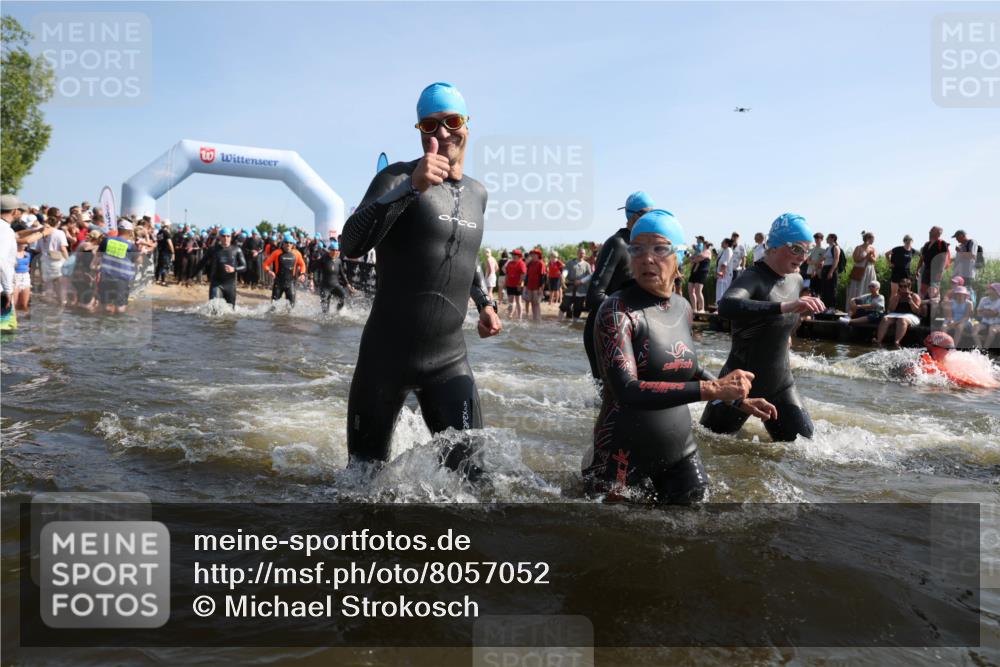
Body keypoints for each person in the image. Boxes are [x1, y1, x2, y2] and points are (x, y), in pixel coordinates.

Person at [338, 82, 501, 476]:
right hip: (385, 358)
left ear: (467, 125)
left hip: (449, 360)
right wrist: (412, 187)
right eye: (430, 125)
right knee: (361, 482)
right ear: (420, 130)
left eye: (452, 121)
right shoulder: (397, 177)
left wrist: (484, 303)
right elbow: (351, 243)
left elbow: (464, 254)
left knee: (473, 482)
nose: (442, 132)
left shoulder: (478, 193)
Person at [584, 209, 776, 504]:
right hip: (621, 458)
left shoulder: (683, 307)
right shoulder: (616, 311)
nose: (647, 258)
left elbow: (691, 368)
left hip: (680, 452)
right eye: (637, 249)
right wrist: (713, 390)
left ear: (680, 259)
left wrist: (738, 400)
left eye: (660, 249)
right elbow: (627, 391)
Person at [701, 213, 824, 442]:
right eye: (796, 249)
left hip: (780, 384)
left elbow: (781, 321)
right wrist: (784, 307)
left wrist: (785, 333)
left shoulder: (795, 280)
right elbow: (726, 305)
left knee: (805, 449)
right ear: (774, 246)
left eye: (807, 251)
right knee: (710, 443)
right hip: (737, 387)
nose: (803, 257)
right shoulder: (753, 277)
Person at [583, 192, 654, 378]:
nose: (653, 219)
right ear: (634, 216)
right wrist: (628, 318)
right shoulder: (618, 244)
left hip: (631, 330)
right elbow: (594, 296)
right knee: (610, 396)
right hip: (603, 329)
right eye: (648, 213)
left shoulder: (645, 248)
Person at [91, 221, 140, 315]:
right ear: (130, 232)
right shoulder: (131, 246)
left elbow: (97, 255)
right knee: (120, 308)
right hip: (121, 279)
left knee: (104, 305)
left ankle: (103, 326)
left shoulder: (107, 240)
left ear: (119, 230)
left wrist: (93, 270)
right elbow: (139, 261)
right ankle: (118, 326)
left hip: (106, 277)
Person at [202, 227, 247, 307]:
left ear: (231, 237)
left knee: (230, 313)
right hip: (216, 284)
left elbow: (244, 267)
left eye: (228, 236)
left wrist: (234, 269)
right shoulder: (213, 249)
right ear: (219, 237)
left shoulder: (236, 250)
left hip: (230, 285)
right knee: (214, 309)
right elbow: (201, 263)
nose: (226, 238)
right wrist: (191, 276)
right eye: (223, 236)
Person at [875, 278, 922, 347]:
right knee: (885, 318)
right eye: (900, 286)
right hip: (896, 314)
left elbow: (917, 311)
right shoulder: (896, 296)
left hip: (911, 315)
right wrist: (896, 300)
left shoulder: (914, 296)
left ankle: (897, 342)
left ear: (909, 287)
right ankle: (878, 340)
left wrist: (911, 301)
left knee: (902, 319)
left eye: (905, 286)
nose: (902, 288)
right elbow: (891, 309)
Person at [264, 233, 306, 307]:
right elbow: (266, 264)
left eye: (290, 243)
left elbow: (302, 264)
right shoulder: (276, 253)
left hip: (291, 283)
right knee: (273, 307)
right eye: (286, 242)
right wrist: (269, 271)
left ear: (293, 244)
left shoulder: (297, 254)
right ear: (283, 243)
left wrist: (302, 274)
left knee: (291, 308)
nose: (288, 244)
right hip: (278, 283)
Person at [318, 239, 355, 313]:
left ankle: (337, 312)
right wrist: (311, 279)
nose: (335, 252)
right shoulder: (324, 259)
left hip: (335, 285)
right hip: (325, 286)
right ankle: (324, 319)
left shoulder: (338, 261)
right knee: (325, 308)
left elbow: (342, 274)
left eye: (336, 250)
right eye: (333, 250)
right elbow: (313, 268)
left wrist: (348, 284)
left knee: (343, 296)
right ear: (329, 250)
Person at [914, 226, 950, 300]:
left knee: (934, 292)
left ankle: (935, 310)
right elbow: (922, 258)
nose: (929, 231)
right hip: (926, 270)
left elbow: (944, 258)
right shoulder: (927, 244)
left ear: (938, 233)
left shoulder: (942, 243)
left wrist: (940, 272)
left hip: (936, 271)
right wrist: (917, 270)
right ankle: (923, 309)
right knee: (923, 291)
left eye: (932, 230)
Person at [41, 212, 69, 305]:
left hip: (44, 261)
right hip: (57, 262)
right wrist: (68, 261)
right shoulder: (59, 233)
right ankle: (62, 303)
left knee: (48, 284)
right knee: (60, 284)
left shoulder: (42, 232)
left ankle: (49, 306)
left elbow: (37, 249)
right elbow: (63, 248)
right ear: (58, 223)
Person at [846, 231, 878, 312]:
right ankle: (853, 308)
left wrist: (870, 256)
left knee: (868, 287)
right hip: (860, 269)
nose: (873, 240)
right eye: (872, 238)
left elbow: (874, 261)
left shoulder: (873, 248)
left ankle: (866, 308)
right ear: (867, 238)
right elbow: (856, 259)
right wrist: (865, 256)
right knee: (858, 288)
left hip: (869, 270)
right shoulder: (858, 248)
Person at [70, 230, 102, 310]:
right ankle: (88, 312)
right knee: (90, 296)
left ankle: (75, 311)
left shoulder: (82, 244)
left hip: (77, 272)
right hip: (88, 274)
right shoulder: (92, 247)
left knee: (79, 295)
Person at [563, 246, 592, 319]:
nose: (581, 254)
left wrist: (581, 281)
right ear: (577, 253)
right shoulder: (570, 263)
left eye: (583, 253)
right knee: (565, 306)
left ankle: (575, 324)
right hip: (570, 287)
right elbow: (565, 271)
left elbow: (590, 276)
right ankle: (565, 323)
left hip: (581, 289)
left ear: (585, 254)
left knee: (578, 309)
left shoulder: (587, 265)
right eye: (580, 253)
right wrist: (563, 276)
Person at [686, 235, 711, 314]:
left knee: (698, 291)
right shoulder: (700, 251)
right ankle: (694, 309)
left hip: (702, 272)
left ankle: (702, 308)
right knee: (690, 289)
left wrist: (692, 257)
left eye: (703, 244)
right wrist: (690, 256)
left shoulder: (707, 252)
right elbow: (693, 259)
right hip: (694, 271)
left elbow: (696, 259)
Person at [886, 234, 915, 300]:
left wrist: (918, 269)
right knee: (894, 293)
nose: (908, 242)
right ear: (904, 241)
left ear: (912, 241)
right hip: (896, 272)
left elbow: (921, 256)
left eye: (910, 241)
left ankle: (906, 307)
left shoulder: (912, 251)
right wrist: (889, 263)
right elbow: (887, 254)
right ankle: (890, 309)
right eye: (906, 241)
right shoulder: (897, 249)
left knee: (907, 292)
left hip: (906, 272)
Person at [818, 233, 842, 311]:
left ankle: (832, 308)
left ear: (832, 238)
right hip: (825, 269)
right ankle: (824, 307)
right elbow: (822, 259)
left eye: (827, 238)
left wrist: (831, 272)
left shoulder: (836, 247)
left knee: (831, 289)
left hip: (831, 269)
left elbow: (836, 260)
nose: (826, 239)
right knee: (824, 289)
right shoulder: (828, 248)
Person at [504, 248, 527, 319]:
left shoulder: (521, 263)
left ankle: (520, 317)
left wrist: (520, 284)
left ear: (519, 256)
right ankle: (510, 314)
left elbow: (523, 274)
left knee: (518, 301)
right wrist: (505, 282)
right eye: (512, 254)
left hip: (518, 285)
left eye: (515, 255)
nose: (513, 256)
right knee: (510, 301)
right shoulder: (510, 263)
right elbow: (507, 274)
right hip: (510, 284)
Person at [976, 283, 1000, 349]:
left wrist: (992, 313)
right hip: (984, 322)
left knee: (992, 331)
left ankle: (985, 349)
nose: (988, 289)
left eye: (991, 288)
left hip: (996, 323)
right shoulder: (983, 299)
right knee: (974, 330)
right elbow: (978, 312)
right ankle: (980, 349)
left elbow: (997, 314)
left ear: (996, 291)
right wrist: (991, 313)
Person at [524, 249, 545, 321]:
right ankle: (534, 318)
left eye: (534, 254)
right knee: (532, 302)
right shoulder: (530, 264)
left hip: (537, 287)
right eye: (532, 254)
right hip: (530, 286)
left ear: (538, 255)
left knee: (537, 303)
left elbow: (542, 276)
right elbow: (527, 275)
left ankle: (538, 319)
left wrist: (540, 287)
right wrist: (525, 286)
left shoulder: (540, 263)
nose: (532, 256)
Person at [714, 237, 733, 305]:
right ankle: (718, 306)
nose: (721, 243)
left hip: (725, 274)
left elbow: (725, 262)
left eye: (723, 242)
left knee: (722, 291)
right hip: (720, 274)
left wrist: (722, 272)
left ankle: (720, 307)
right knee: (719, 291)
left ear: (727, 244)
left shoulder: (728, 250)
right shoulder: (723, 250)